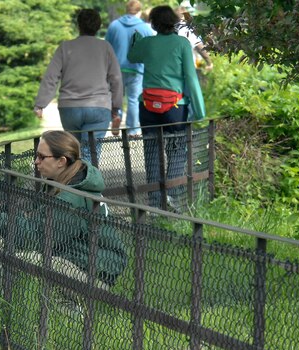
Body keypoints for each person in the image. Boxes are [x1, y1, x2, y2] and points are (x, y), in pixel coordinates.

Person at [0, 130, 128, 287]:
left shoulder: (70, 198)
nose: (35, 162)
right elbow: (37, 224)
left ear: (61, 161)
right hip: (83, 261)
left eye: (41, 157)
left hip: (95, 273)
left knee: (21, 259)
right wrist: (2, 209)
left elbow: (35, 241)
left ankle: (70, 310)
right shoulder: (67, 181)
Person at [128, 5, 205, 210]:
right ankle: (171, 196)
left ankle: (155, 202)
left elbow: (133, 57)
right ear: (173, 22)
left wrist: (135, 42)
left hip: (148, 107)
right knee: (178, 150)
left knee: (152, 153)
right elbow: (190, 77)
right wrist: (200, 109)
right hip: (175, 108)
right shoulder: (181, 43)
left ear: (153, 23)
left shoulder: (147, 43)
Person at [34, 9, 123, 164]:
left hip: (69, 108)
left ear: (78, 25)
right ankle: (88, 186)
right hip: (98, 107)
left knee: (73, 152)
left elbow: (51, 77)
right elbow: (115, 78)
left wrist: (40, 104)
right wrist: (116, 106)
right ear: (98, 26)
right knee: (91, 152)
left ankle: (75, 185)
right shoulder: (105, 47)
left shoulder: (65, 47)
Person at [105, 0, 154, 135]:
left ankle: (117, 116)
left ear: (126, 9)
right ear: (139, 11)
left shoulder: (114, 26)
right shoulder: (145, 28)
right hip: (136, 68)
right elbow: (151, 49)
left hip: (116, 68)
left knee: (117, 97)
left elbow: (106, 47)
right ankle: (133, 129)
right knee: (133, 99)